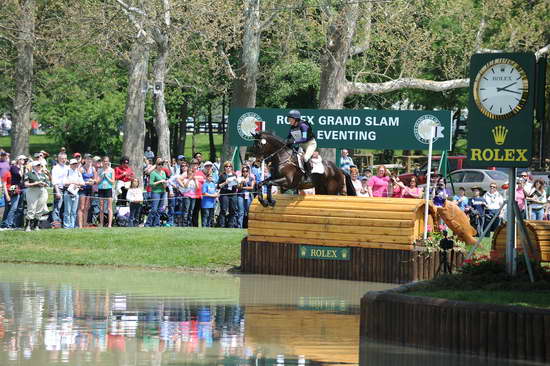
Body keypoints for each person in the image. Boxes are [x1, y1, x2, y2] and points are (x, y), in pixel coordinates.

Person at [285, 109, 316, 183]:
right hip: (301, 145)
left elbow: (304, 138)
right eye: (289, 119)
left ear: (295, 119)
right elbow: (288, 138)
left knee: (305, 158)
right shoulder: (292, 127)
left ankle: (309, 176)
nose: (289, 120)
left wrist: (294, 141)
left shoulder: (303, 126)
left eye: (290, 119)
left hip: (310, 144)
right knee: (293, 157)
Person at [1, 155, 27, 229]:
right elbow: (18, 176)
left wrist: (23, 168)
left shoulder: (24, 168)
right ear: (18, 160)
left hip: (22, 188)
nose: (24, 161)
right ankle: (7, 224)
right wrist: (21, 168)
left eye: (24, 160)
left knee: (20, 207)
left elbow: (24, 178)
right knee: (13, 207)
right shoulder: (13, 168)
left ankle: (16, 224)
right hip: (14, 187)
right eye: (22, 159)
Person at [24, 161, 49, 231]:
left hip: (42, 190)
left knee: (40, 209)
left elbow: (47, 183)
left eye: (40, 166)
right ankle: (27, 226)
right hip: (32, 190)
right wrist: (36, 183)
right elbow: (26, 184)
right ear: (33, 167)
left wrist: (44, 184)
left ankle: (36, 225)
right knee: (31, 208)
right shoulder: (29, 174)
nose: (39, 167)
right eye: (37, 166)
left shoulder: (43, 174)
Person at [62, 159, 85, 229]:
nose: (75, 165)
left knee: (74, 211)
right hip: (68, 192)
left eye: (76, 164)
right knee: (67, 211)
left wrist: (74, 183)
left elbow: (83, 183)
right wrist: (75, 183)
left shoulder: (78, 173)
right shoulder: (67, 172)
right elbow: (64, 182)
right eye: (73, 164)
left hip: (76, 193)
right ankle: (66, 226)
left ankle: (72, 226)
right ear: (70, 164)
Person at [146, 160, 168, 227]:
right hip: (155, 192)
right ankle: (148, 224)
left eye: (162, 164)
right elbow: (151, 184)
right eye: (159, 164)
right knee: (154, 209)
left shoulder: (163, 172)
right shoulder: (153, 173)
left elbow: (165, 183)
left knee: (159, 209)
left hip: (163, 192)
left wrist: (165, 183)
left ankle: (156, 224)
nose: (161, 166)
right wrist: (160, 181)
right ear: (156, 165)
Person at [77, 155, 97, 228]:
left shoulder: (93, 168)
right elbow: (77, 179)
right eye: (88, 159)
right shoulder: (81, 169)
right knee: (81, 207)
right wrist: (85, 182)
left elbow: (95, 179)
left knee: (87, 207)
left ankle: (84, 224)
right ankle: (80, 225)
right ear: (84, 160)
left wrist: (93, 181)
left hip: (90, 189)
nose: (89, 160)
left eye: (90, 159)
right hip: (82, 189)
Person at [217, 161, 238, 228]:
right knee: (223, 210)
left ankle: (231, 225)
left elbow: (237, 186)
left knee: (233, 210)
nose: (228, 168)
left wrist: (238, 182)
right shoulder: (222, 175)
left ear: (231, 167)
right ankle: (222, 225)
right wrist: (225, 182)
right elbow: (218, 186)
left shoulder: (234, 175)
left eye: (230, 166)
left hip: (233, 194)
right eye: (226, 166)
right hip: (224, 194)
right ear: (224, 167)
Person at [50, 152, 69, 227]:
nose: (64, 160)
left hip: (67, 189)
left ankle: (62, 222)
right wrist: (57, 191)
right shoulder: (55, 168)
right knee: (57, 206)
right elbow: (54, 181)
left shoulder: (67, 167)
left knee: (64, 206)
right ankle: (55, 223)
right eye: (62, 159)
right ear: (58, 159)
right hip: (59, 189)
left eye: (65, 158)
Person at [97, 156, 115, 228]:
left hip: (108, 189)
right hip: (101, 189)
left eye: (107, 161)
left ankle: (109, 224)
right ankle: (101, 223)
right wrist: (102, 177)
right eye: (104, 161)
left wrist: (107, 177)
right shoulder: (99, 170)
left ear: (108, 162)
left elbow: (113, 182)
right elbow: (97, 182)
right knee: (101, 207)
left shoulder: (111, 170)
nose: (105, 162)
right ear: (102, 162)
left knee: (109, 208)